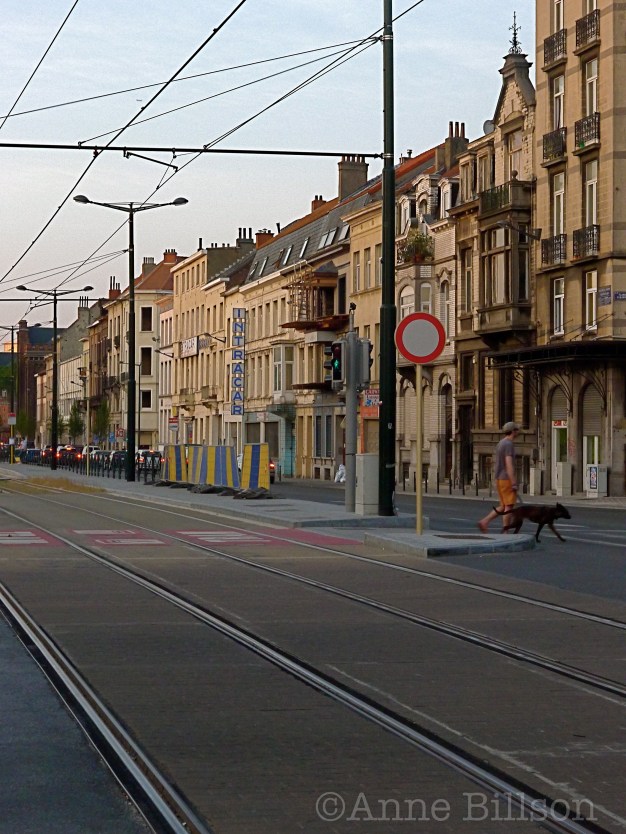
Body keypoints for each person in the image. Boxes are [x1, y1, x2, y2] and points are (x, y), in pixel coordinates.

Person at [478, 422, 520, 534]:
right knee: (509, 506)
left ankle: (484, 521)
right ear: (513, 431)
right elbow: (509, 464)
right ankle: (505, 532)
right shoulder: (508, 444)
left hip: (499, 478)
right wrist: (514, 482)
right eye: (517, 430)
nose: (518, 432)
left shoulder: (500, 443)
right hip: (506, 479)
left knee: (503, 505)